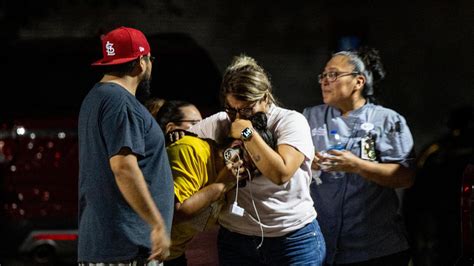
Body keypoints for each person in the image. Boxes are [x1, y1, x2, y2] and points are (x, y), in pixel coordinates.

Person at [189, 54, 326, 265]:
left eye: (246, 109)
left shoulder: (290, 122)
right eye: (231, 109)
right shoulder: (221, 122)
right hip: (236, 238)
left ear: (265, 98)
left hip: (292, 238)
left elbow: (281, 173)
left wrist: (246, 134)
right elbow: (185, 148)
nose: (238, 117)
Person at [302, 47, 415, 265]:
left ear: (359, 82)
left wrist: (357, 166)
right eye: (323, 75)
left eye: (333, 74)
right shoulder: (309, 117)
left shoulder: (388, 120)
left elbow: (406, 177)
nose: (325, 81)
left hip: (375, 248)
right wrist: (305, 159)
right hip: (322, 246)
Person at [78, 26, 174, 265]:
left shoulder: (96, 98)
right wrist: (156, 224)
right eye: (150, 58)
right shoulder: (120, 103)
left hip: (108, 245)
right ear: (141, 63)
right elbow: (123, 167)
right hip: (128, 248)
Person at [162, 112, 276, 266]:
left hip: (172, 255)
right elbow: (176, 213)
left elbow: (198, 220)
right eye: (251, 166)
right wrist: (219, 185)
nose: (249, 177)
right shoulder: (191, 151)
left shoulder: (230, 182)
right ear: (235, 148)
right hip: (141, 251)